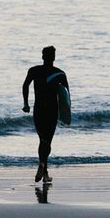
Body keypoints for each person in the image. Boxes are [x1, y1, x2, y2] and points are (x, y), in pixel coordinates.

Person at [22, 46, 68, 183]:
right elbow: (66, 97)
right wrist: (65, 115)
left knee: (42, 139)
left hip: (39, 110)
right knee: (47, 141)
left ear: (42, 57)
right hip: (52, 111)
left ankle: (43, 168)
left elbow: (25, 85)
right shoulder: (60, 74)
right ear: (54, 57)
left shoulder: (34, 71)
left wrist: (26, 103)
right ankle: (43, 166)